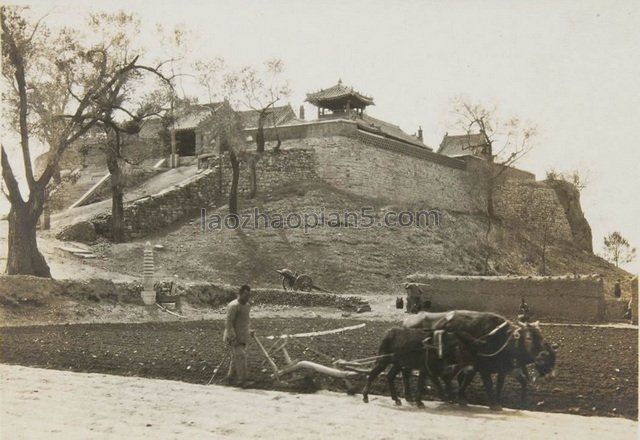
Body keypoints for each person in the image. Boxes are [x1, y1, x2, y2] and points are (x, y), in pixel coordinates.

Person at [223, 284, 254, 388]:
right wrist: (232, 336)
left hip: (242, 336)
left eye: (248, 295)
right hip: (234, 337)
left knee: (235, 357)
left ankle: (230, 378)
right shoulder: (233, 306)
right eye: (245, 295)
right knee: (241, 356)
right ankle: (242, 381)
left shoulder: (247, 306)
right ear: (239, 294)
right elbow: (228, 323)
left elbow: (245, 322)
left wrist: (249, 330)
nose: (247, 297)